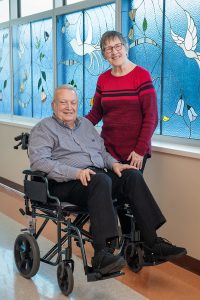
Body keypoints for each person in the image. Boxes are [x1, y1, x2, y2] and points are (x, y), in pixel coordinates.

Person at [29, 85, 186, 275]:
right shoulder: (43, 128)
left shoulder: (85, 125)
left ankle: (152, 243)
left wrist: (114, 165)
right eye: (63, 102)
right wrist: (76, 172)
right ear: (53, 105)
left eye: (73, 102)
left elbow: (102, 153)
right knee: (100, 180)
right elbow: (39, 162)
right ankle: (102, 255)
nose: (69, 107)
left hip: (95, 178)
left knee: (132, 175)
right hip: (64, 183)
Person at [86, 30, 158, 171]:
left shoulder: (142, 75)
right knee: (108, 191)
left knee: (130, 192)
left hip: (134, 152)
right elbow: (96, 113)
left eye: (118, 46)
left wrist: (139, 150)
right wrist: (73, 125)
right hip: (107, 150)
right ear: (104, 55)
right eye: (108, 49)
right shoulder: (103, 79)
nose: (114, 52)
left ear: (125, 48)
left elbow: (152, 116)